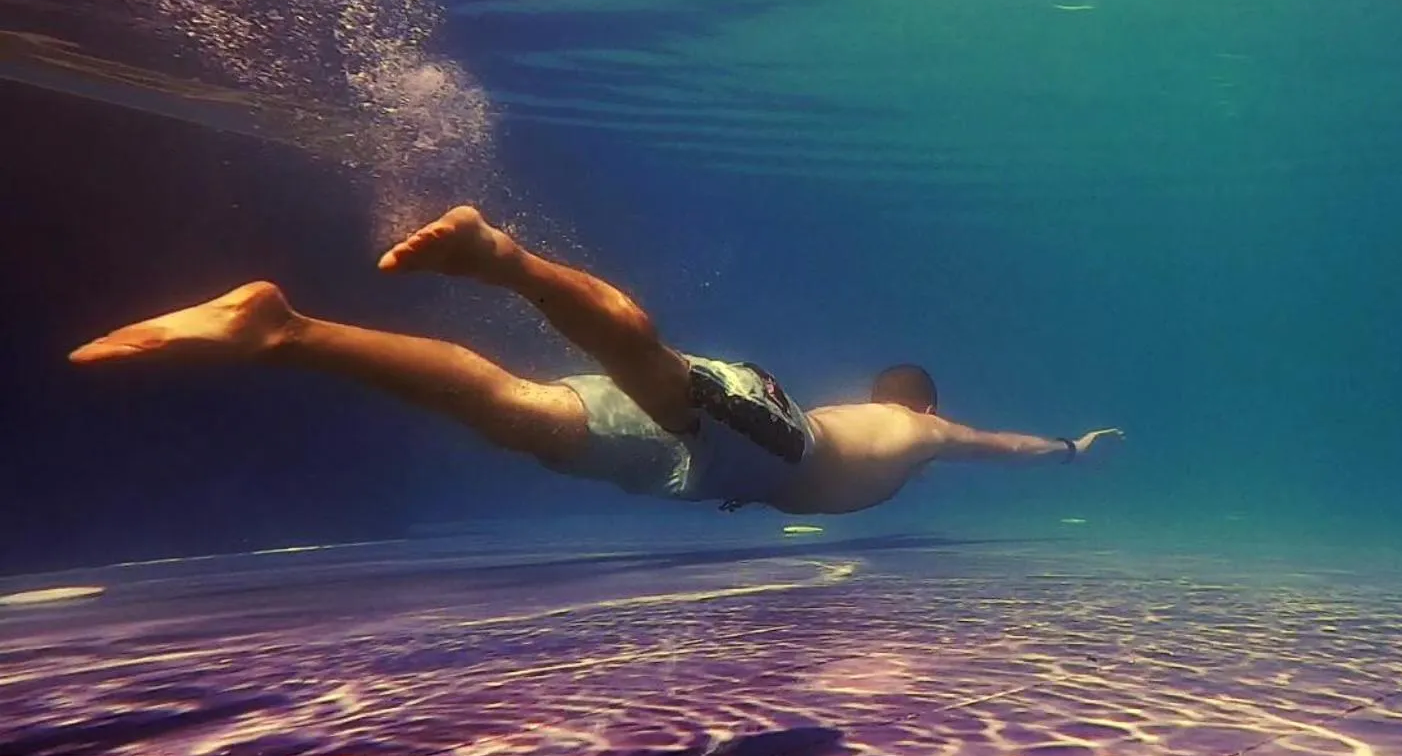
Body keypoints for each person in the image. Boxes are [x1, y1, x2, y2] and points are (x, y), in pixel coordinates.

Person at [68, 206, 1122, 515]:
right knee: (653, 369)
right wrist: (1068, 450)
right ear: (923, 402)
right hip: (773, 443)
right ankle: (510, 261)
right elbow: (997, 444)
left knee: (521, 414)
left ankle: (283, 331)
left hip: (732, 461)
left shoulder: (867, 415)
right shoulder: (918, 431)